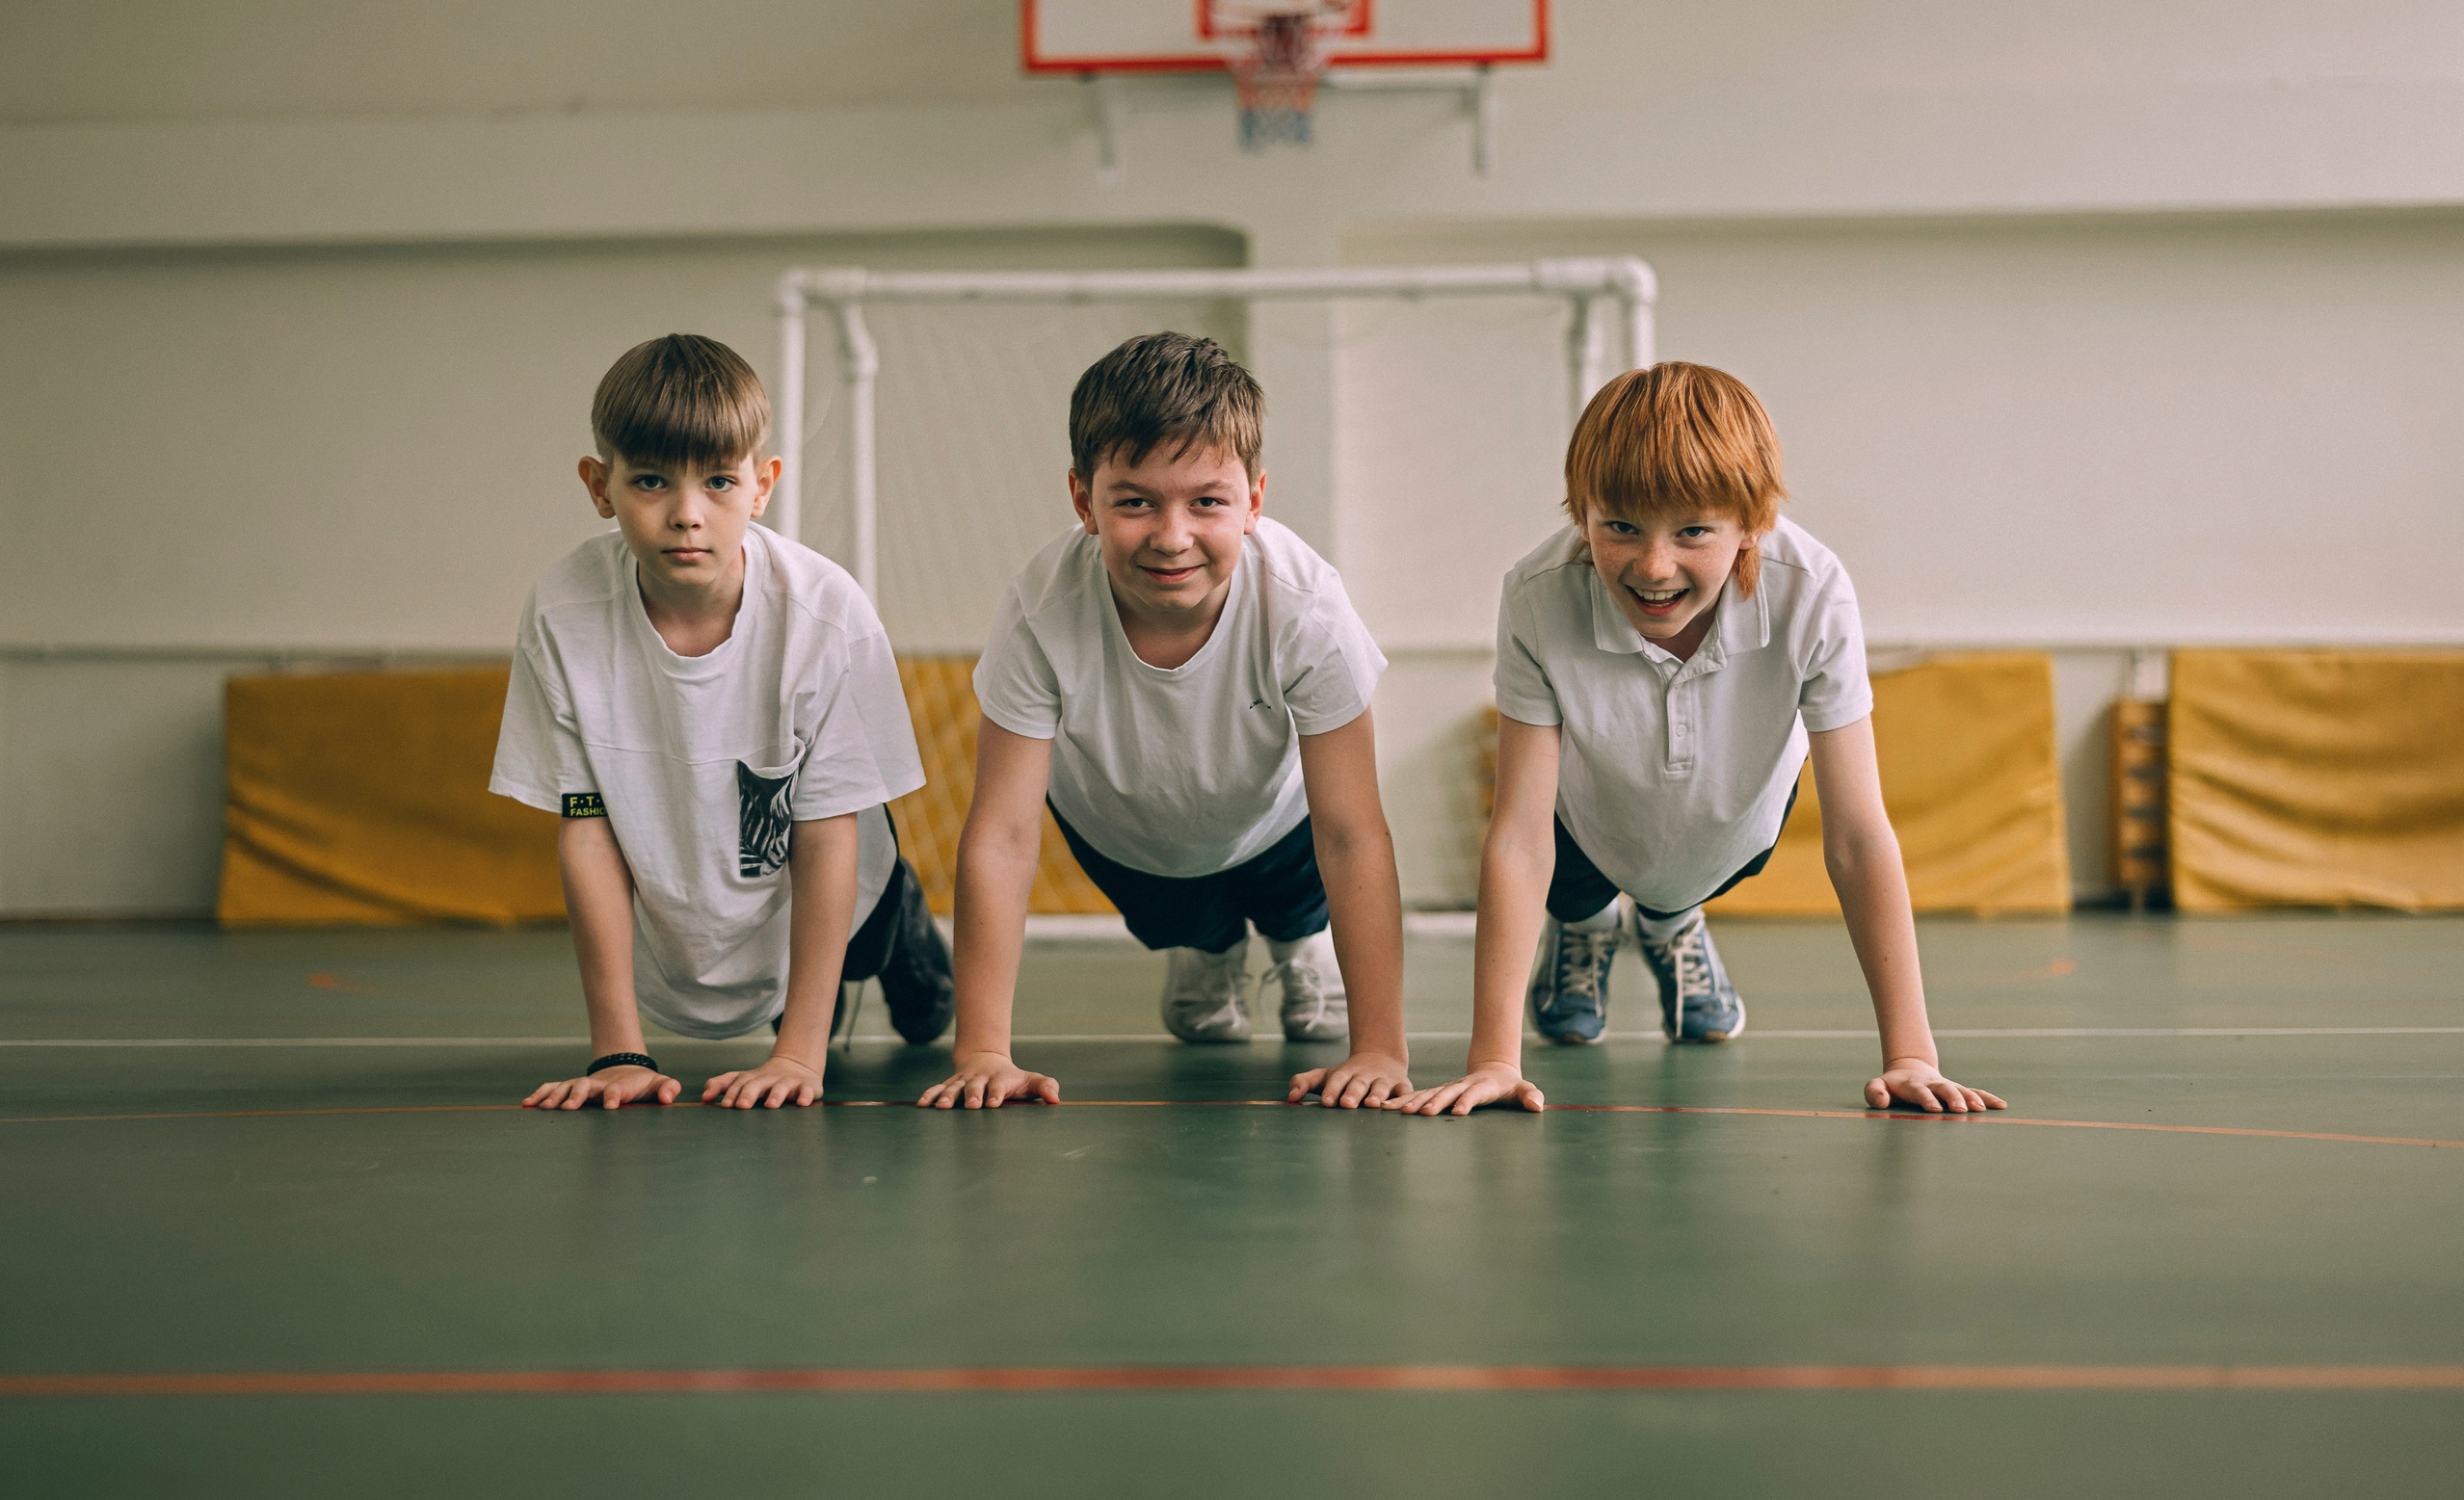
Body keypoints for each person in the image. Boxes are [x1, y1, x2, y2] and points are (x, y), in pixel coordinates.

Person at [1392, 362, 2004, 1118]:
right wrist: (1492, 1056)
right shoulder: (1536, 595)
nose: (1654, 566)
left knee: (1687, 867)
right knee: (1574, 870)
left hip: (1731, 820)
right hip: (1590, 818)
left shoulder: (1811, 590)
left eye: (1692, 531)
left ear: (1753, 520)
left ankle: (1672, 915)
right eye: (1620, 526)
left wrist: (1912, 1054)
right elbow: (1519, 835)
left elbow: (1856, 832)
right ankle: (1585, 925)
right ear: (1580, 512)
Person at [916, 332, 1411, 1112]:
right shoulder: (1043, 609)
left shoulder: (1305, 606)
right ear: (1085, 500)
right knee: (1190, 919)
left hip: (1276, 822)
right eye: (1136, 501)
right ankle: (1207, 950)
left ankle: (1299, 944)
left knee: (1297, 890)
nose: (1172, 536)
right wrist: (983, 1049)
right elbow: (1003, 834)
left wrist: (1382, 1046)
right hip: (1129, 834)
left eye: (1206, 501)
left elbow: (1352, 830)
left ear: (1253, 499)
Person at [491, 334, 952, 1113]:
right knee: (760, 955)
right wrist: (619, 1052)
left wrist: (801, 1055)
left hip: (832, 868)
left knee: (867, 949)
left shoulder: (826, 616)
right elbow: (588, 825)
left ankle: (898, 924)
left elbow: (828, 832)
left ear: (762, 485)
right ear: (599, 486)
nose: (685, 514)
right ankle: (802, 992)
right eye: (649, 481)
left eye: (717, 481)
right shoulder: (563, 613)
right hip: (688, 876)